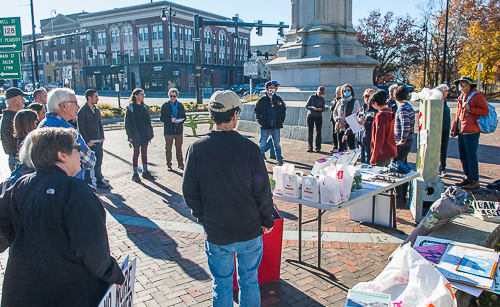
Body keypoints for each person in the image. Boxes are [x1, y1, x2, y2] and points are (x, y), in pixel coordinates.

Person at [0, 127, 124, 306]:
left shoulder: (20, 185)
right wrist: (114, 274)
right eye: (77, 149)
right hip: (68, 292)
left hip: (23, 290)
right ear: (62, 155)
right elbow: (91, 249)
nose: (80, 155)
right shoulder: (75, 189)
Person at [183, 90, 274, 306]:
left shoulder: (197, 149)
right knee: (249, 281)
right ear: (234, 114)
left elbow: (189, 191)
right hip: (249, 229)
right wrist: (267, 220)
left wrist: (202, 216)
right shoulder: (250, 149)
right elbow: (262, 190)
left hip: (217, 230)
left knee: (221, 284)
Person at [38, 88, 96, 180]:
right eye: (75, 103)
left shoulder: (41, 125)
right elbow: (90, 161)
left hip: (47, 182)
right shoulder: (66, 129)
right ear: (63, 105)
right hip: (70, 185)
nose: (78, 107)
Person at [451, 76, 489, 190]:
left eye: (463, 83)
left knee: (471, 156)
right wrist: (454, 129)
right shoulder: (462, 96)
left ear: (469, 84)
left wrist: (470, 108)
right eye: (459, 83)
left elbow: (485, 111)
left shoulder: (477, 96)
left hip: (472, 131)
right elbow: (458, 115)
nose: (460, 85)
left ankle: (474, 180)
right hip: (462, 131)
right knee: (463, 156)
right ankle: (468, 178)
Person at [77, 89, 109, 189]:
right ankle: (89, 182)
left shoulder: (97, 110)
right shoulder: (82, 112)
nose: (98, 98)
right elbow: (81, 128)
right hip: (90, 143)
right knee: (89, 164)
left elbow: (100, 124)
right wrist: (87, 141)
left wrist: (102, 137)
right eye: (95, 96)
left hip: (98, 141)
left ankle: (99, 179)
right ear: (89, 97)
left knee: (99, 161)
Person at [125, 88, 154, 183]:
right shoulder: (130, 108)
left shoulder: (144, 107)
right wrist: (130, 135)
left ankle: (145, 171)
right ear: (136, 96)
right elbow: (127, 123)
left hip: (144, 133)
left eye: (143, 94)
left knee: (144, 152)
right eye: (141, 94)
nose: (143, 96)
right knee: (136, 153)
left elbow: (148, 121)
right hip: (135, 134)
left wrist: (150, 132)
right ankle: (135, 173)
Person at [392, 86, 415, 205]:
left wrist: (402, 139)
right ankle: (402, 193)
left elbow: (405, 124)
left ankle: (400, 194)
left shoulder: (401, 108)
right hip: (407, 141)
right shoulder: (408, 106)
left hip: (402, 143)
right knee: (403, 165)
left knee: (398, 167)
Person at [254, 81, 286, 166]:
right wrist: (260, 121)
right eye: (270, 88)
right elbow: (256, 111)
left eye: (273, 88)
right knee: (262, 145)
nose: (272, 90)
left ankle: (279, 160)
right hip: (265, 127)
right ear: (267, 89)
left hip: (276, 126)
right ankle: (259, 162)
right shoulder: (262, 100)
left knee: (277, 144)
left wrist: (280, 121)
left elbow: (283, 110)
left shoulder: (278, 99)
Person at [343, 88, 377, 163]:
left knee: (368, 161)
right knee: (362, 161)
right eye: (365, 96)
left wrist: (366, 123)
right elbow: (355, 122)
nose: (367, 99)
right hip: (360, 139)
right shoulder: (362, 109)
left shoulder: (375, 110)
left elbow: (377, 125)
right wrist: (347, 133)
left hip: (369, 139)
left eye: (369, 96)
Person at [1, 87, 28, 171]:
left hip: (17, 157)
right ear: (15, 99)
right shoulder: (11, 118)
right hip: (17, 158)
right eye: (22, 98)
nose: (24, 100)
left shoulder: (11, 116)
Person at [160, 88, 186, 171]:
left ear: (177, 96)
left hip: (178, 130)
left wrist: (180, 120)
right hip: (169, 130)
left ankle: (180, 164)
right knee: (168, 148)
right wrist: (169, 120)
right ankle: (169, 164)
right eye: (170, 96)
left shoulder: (180, 106)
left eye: (174, 96)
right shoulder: (165, 106)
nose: (172, 98)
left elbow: (184, 117)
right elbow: (162, 118)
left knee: (179, 148)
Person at [370, 90, 397, 166]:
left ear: (375, 103)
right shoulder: (391, 112)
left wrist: (373, 157)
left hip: (381, 153)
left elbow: (379, 138)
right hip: (390, 149)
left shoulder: (380, 116)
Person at [333, 84, 360, 152]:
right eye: (345, 90)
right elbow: (335, 112)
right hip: (340, 126)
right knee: (341, 147)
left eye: (348, 90)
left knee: (351, 146)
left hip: (349, 126)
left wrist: (345, 122)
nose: (347, 92)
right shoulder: (340, 102)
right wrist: (338, 120)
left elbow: (355, 113)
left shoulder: (354, 101)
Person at [436, 84, 451, 177]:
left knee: (444, 149)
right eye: (446, 90)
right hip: (438, 128)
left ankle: (443, 168)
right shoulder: (437, 101)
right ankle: (437, 168)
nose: (448, 92)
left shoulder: (445, 101)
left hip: (445, 128)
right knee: (437, 148)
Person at [306, 86, 326, 152]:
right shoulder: (312, 97)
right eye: (320, 93)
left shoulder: (322, 99)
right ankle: (310, 147)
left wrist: (321, 109)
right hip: (311, 115)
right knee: (310, 132)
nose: (320, 95)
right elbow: (307, 106)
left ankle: (318, 147)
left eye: (322, 94)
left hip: (318, 116)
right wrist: (313, 108)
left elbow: (324, 108)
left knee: (318, 132)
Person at [329, 86, 342, 153]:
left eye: (338, 91)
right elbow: (332, 110)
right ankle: (335, 146)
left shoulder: (342, 100)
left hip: (340, 120)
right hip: (334, 118)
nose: (337, 93)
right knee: (334, 133)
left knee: (340, 134)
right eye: (336, 91)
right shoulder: (335, 99)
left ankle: (340, 147)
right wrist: (332, 106)